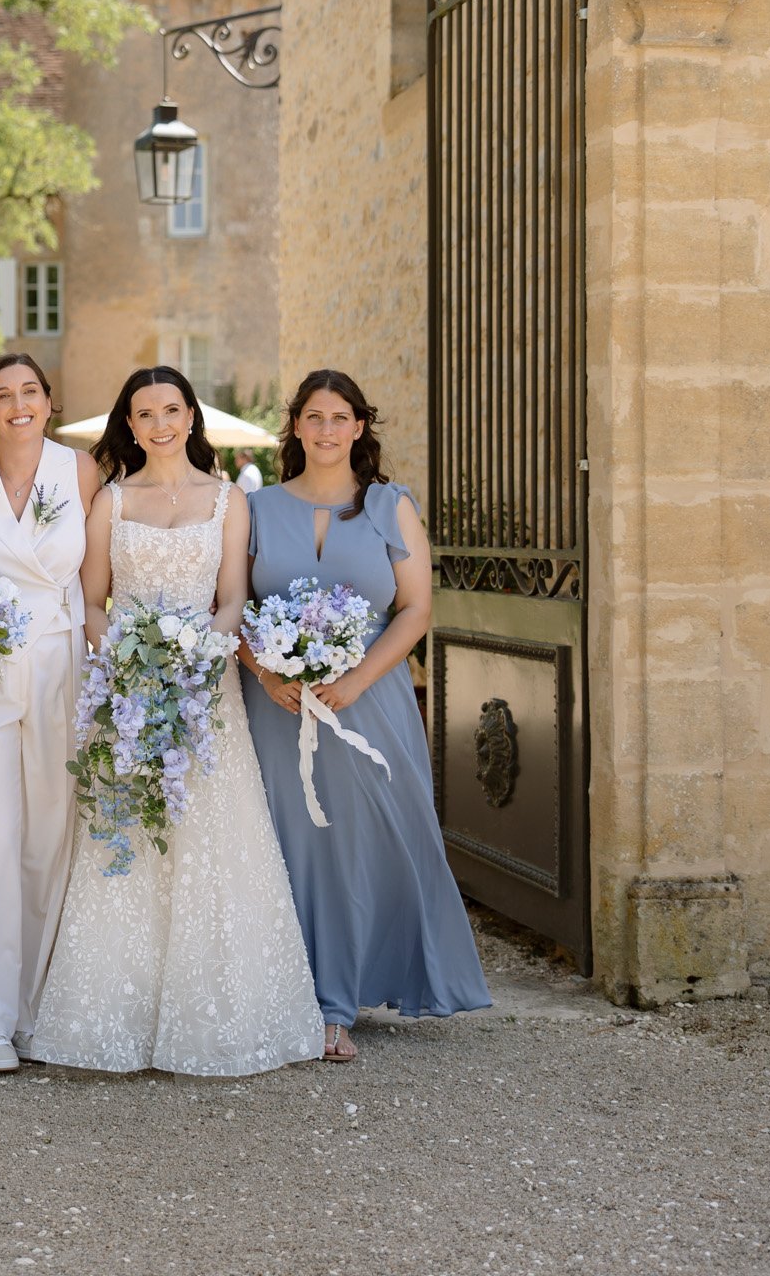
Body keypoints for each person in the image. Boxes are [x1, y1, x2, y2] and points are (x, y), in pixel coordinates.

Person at [31, 367, 322, 1076]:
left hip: (205, 692)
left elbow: (231, 598)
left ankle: (220, 1018)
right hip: (128, 698)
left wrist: (196, 658)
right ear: (127, 425)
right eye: (143, 413)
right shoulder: (109, 500)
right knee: (126, 840)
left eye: (170, 409)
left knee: (213, 842)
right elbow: (93, 600)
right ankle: (113, 1021)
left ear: (190, 416)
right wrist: (129, 665)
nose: (158, 423)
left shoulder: (229, 501)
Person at [241, 368, 491, 1061]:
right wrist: (264, 673)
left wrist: (354, 679)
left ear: (358, 428)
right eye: (313, 417)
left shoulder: (389, 505)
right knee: (291, 847)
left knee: (361, 845)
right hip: (279, 709)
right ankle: (298, 996)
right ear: (295, 425)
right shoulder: (256, 509)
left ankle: (342, 998)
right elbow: (231, 610)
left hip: (367, 702)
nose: (325, 430)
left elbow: (414, 608)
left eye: (339, 418)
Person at [0, 354, 100, 1074]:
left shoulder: (81, 471)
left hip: (61, 662)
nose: (17, 405)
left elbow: (100, 579)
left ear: (48, 401)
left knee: (50, 834)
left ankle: (40, 1008)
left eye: (28, 392)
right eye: (2, 396)